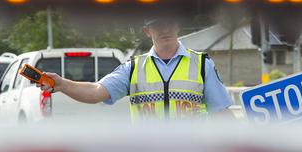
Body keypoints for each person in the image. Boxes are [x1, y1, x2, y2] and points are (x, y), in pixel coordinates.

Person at [39, 18, 234, 121]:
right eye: (157, 24)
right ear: (147, 30)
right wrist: (63, 84)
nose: (165, 29)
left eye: (169, 22)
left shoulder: (201, 65)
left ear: (178, 25)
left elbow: (222, 114)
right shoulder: (133, 68)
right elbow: (96, 91)